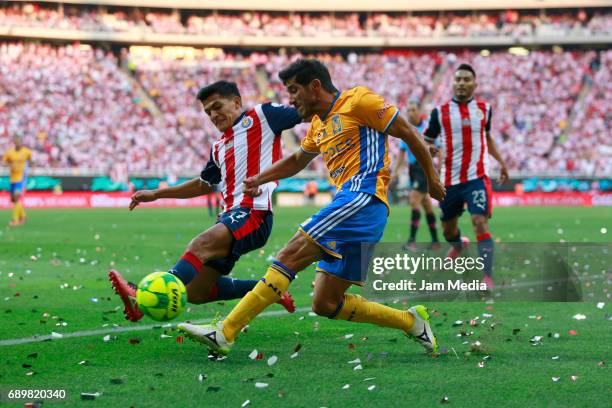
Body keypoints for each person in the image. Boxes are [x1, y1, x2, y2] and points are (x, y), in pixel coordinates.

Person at [178, 59, 445, 356]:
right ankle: (411, 321)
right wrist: (259, 178)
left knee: (289, 254)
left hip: (362, 196)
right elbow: (296, 161)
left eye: (294, 90)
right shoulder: (318, 125)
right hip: (360, 209)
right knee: (325, 303)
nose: (290, 99)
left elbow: (407, 131)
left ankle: (225, 332)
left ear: (315, 86)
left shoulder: (359, 101)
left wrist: (432, 178)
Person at [109, 81, 301, 321]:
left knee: (200, 245)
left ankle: (144, 295)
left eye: (217, 106)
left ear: (237, 102)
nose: (213, 115)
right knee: (197, 292)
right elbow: (203, 184)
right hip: (230, 217)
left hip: (255, 213)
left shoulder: (263, 116)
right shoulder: (218, 147)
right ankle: (271, 290)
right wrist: (157, 194)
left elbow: (306, 111)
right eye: (208, 111)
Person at [424, 64, 509, 289]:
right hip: (449, 180)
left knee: (479, 222)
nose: (462, 83)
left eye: (466, 79)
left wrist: (500, 161)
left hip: (476, 177)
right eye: (458, 79)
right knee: (448, 231)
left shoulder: (484, 110)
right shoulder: (439, 113)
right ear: (452, 83)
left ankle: (487, 276)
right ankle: (459, 245)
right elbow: (427, 140)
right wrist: (430, 148)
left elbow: (487, 137)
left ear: (475, 84)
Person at [392, 100, 441, 251]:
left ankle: (412, 241)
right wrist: (394, 173)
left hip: (423, 168)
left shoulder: (427, 128)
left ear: (419, 111)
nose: (410, 113)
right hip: (413, 170)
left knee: (414, 199)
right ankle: (435, 241)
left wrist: (438, 169)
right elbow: (401, 153)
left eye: (413, 110)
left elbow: (437, 149)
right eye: (408, 110)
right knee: (426, 204)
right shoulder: (406, 128)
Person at [3, 137, 32, 226]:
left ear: (21, 142)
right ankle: (22, 215)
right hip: (12, 178)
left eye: (19, 141)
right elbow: (4, 162)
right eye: (16, 141)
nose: (18, 142)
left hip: (21, 177)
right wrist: (10, 165)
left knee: (16, 196)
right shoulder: (9, 152)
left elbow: (31, 161)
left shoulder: (26, 152)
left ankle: (15, 220)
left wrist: (31, 171)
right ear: (14, 142)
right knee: (13, 199)